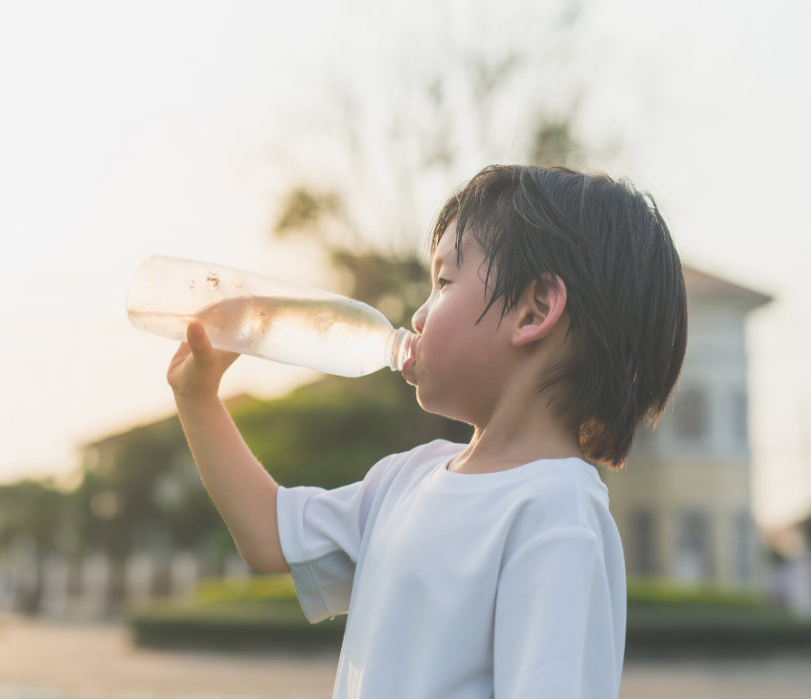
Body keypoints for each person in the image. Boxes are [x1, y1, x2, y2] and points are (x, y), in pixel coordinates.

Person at [167, 164, 688, 699]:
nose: (417, 314)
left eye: (442, 281)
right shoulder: (406, 479)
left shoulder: (556, 515)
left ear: (533, 311)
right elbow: (271, 536)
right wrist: (197, 399)